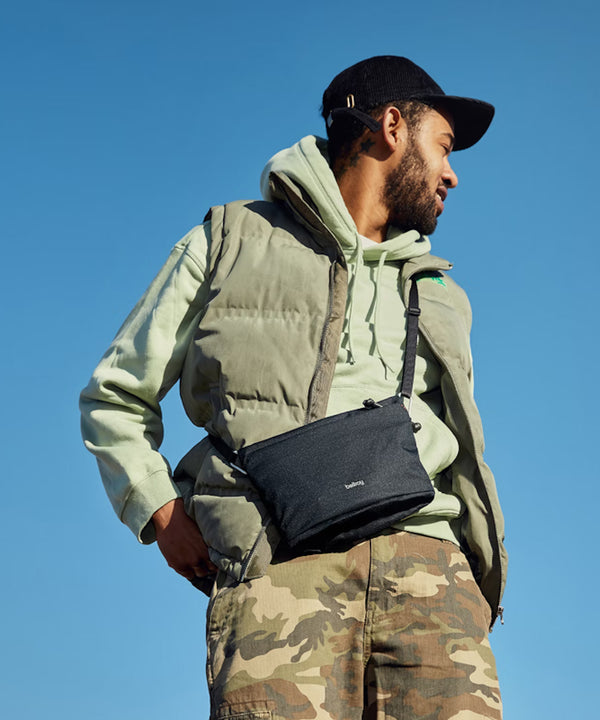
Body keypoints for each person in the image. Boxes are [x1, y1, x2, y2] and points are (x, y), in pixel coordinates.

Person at [80, 55, 507, 719]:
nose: (452, 173)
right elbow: (115, 395)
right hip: (281, 573)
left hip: (433, 577)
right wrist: (159, 511)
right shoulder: (229, 240)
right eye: (444, 146)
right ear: (392, 127)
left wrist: (472, 581)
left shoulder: (443, 293)